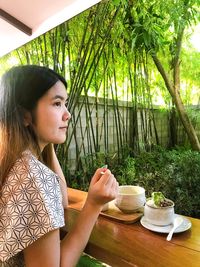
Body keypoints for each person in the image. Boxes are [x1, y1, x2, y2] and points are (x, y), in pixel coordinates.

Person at [0, 65, 118, 267]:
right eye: (57, 104)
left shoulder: (16, 161)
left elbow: (61, 202)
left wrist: (47, 145)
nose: (67, 114)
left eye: (65, 104)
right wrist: (94, 204)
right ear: (24, 115)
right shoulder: (34, 178)